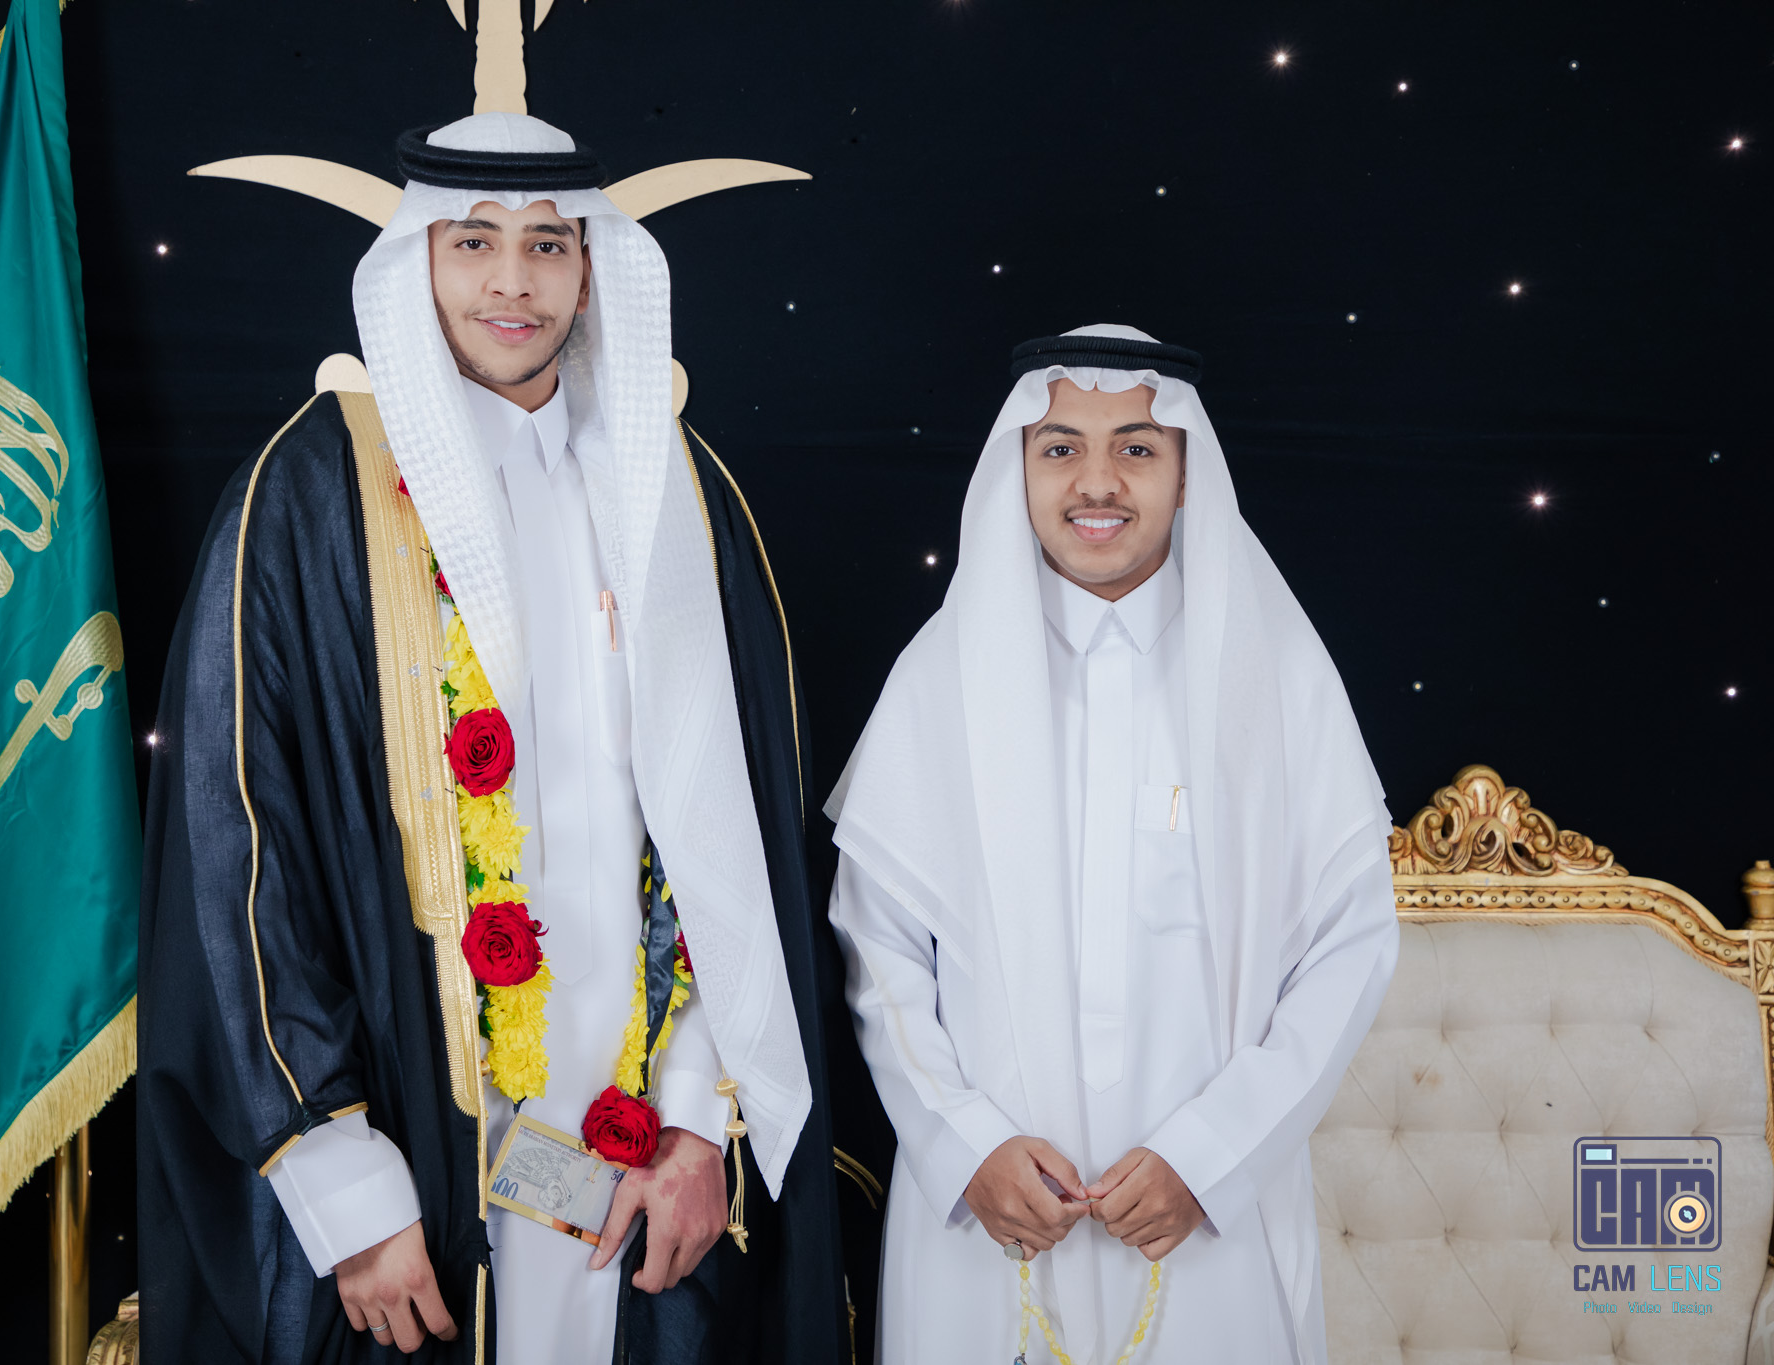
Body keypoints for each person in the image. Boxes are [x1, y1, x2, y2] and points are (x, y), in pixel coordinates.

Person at [137, 112, 861, 1365]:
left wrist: (702, 1120)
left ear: (591, 267)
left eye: (548, 244)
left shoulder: (677, 492)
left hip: (646, 1160)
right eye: (472, 241)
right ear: (416, 258)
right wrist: (343, 1190)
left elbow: (738, 836)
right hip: (406, 1159)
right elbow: (233, 849)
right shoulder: (307, 497)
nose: (512, 283)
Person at [827, 325, 1400, 1363]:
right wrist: (967, 1146)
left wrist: (1211, 1156)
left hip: (1210, 1220)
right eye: (1060, 448)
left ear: (1186, 474)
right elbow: (879, 953)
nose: (1097, 481)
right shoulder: (940, 677)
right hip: (987, 1221)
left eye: (1135, 447)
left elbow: (1348, 949)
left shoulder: (1275, 677)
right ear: (1019, 470)